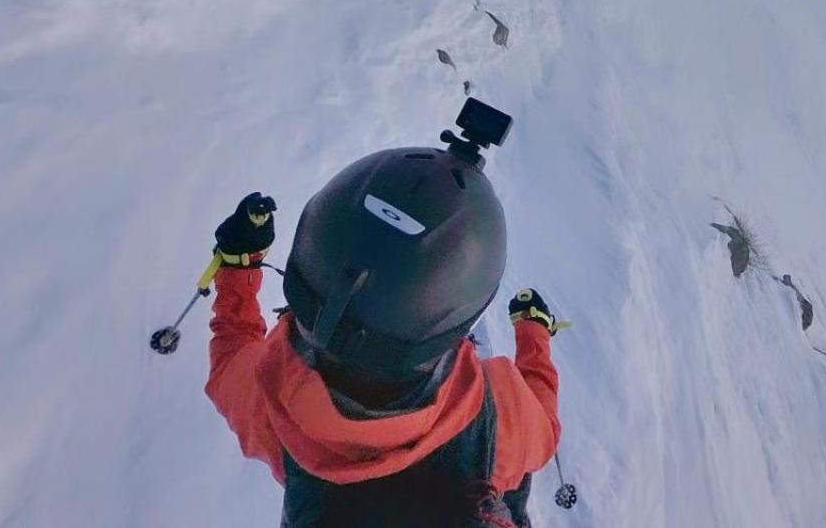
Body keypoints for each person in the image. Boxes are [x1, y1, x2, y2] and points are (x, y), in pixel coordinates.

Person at [204, 124, 564, 527]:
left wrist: (239, 267)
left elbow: (231, 354)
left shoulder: (268, 395)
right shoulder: (498, 415)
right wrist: (533, 332)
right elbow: (545, 427)